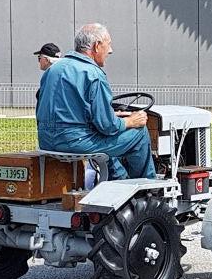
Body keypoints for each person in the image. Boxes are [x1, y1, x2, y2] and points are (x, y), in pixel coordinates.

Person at [36, 23, 155, 180]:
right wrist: (130, 121)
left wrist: (113, 116)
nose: (110, 50)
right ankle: (147, 187)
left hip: (46, 141)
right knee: (139, 133)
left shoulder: (52, 70)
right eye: (108, 44)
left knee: (102, 137)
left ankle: (119, 178)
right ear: (97, 46)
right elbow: (107, 126)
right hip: (75, 143)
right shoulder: (93, 74)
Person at [34, 42, 61, 114]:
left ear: (47, 60)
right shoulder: (61, 74)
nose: (39, 61)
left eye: (39, 58)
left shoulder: (51, 77)